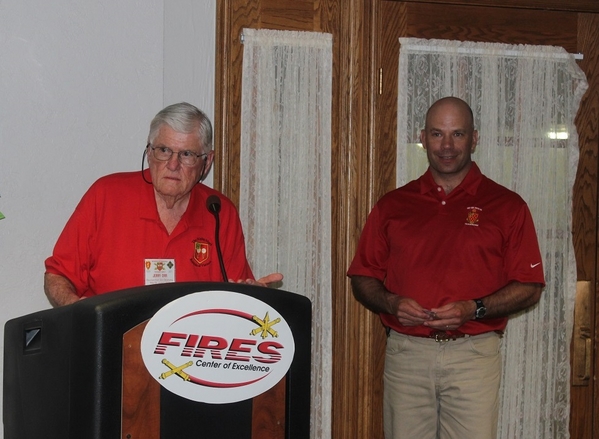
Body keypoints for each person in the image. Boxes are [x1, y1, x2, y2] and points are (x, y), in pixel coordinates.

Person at [347, 96, 545, 439]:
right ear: (423, 137)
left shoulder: (508, 206)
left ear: (475, 138)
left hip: (474, 355)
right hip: (407, 353)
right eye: (438, 134)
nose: (447, 145)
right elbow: (363, 277)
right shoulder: (393, 206)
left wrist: (474, 308)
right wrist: (393, 304)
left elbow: (529, 286)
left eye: (458, 134)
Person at [45, 102, 281, 307]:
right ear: (149, 152)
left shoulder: (219, 211)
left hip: (189, 352)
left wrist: (250, 296)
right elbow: (58, 275)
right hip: (112, 347)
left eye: (187, 154)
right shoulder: (106, 195)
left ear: (206, 162)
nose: (173, 164)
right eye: (164, 150)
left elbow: (235, 293)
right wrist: (77, 309)